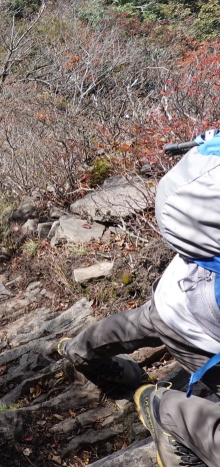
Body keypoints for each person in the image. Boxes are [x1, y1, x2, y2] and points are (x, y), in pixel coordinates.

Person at [58, 131, 220, 467]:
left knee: (134, 326)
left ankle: (79, 352)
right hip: (198, 326)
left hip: (179, 286)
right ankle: (167, 409)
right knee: (144, 325)